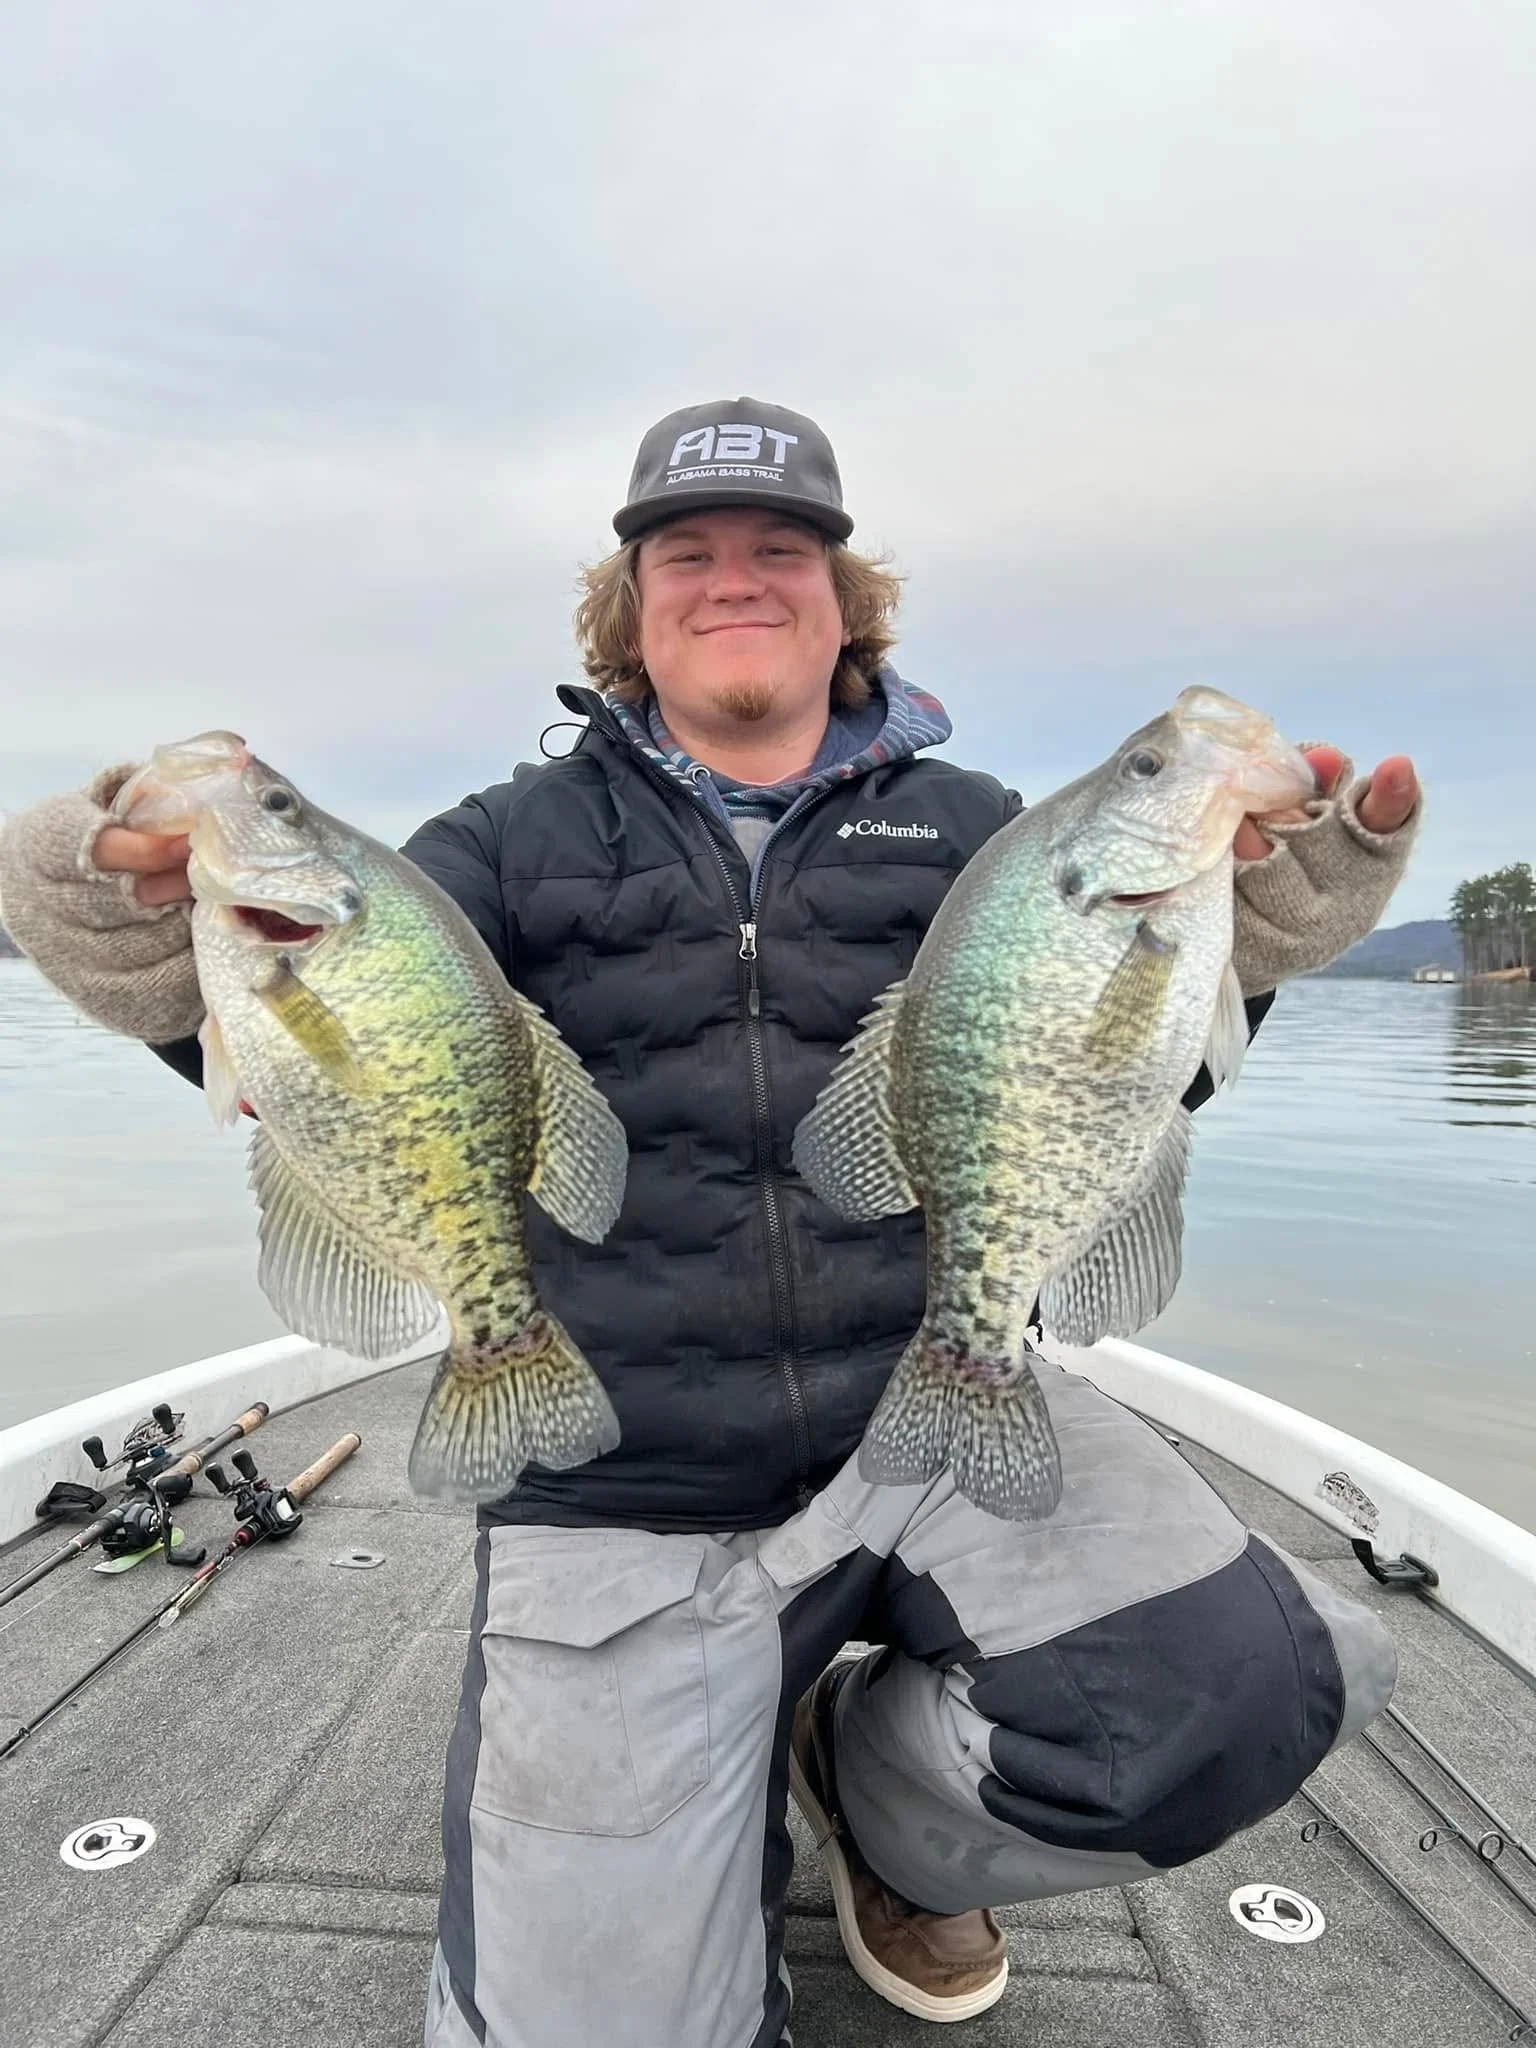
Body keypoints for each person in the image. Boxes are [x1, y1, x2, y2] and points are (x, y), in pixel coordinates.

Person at [0, 399, 1421, 2048]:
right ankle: (714, 1787)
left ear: (844, 600)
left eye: (781, 551)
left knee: (1259, 1687)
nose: (734, 580)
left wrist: (1241, 966)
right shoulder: (490, 850)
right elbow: (359, 1057)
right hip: (623, 1473)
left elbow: (1097, 1100)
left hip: (942, 1420)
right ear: (631, 607)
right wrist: (140, 949)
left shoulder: (991, 838)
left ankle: (877, 1809)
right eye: (688, 554)